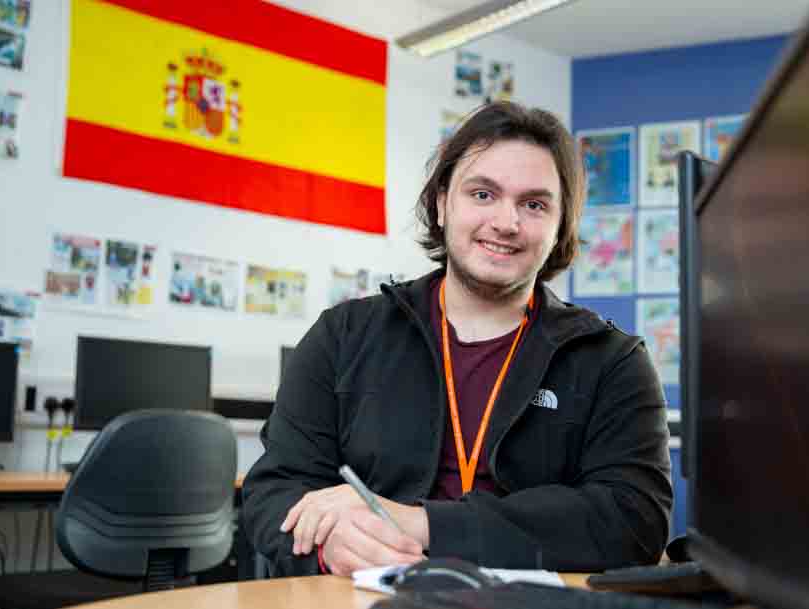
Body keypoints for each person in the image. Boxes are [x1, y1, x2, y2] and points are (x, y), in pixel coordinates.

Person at [242, 101, 673, 578]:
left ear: (560, 226)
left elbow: (636, 522)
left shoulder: (612, 360)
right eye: (483, 194)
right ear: (443, 203)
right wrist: (330, 548)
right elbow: (274, 490)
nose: (506, 222)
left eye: (534, 204)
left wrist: (424, 523)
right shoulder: (342, 336)